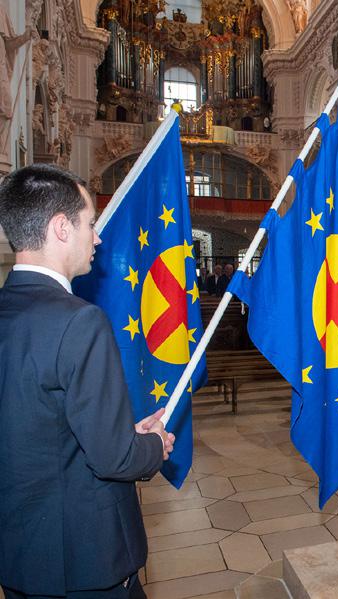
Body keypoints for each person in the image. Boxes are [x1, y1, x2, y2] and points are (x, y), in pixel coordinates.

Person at [0, 164, 173, 598]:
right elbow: (114, 460)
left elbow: (33, 424)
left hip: (18, 555)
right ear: (62, 228)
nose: (97, 238)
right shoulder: (80, 322)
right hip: (82, 561)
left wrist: (118, 433)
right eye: (90, 223)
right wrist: (152, 445)